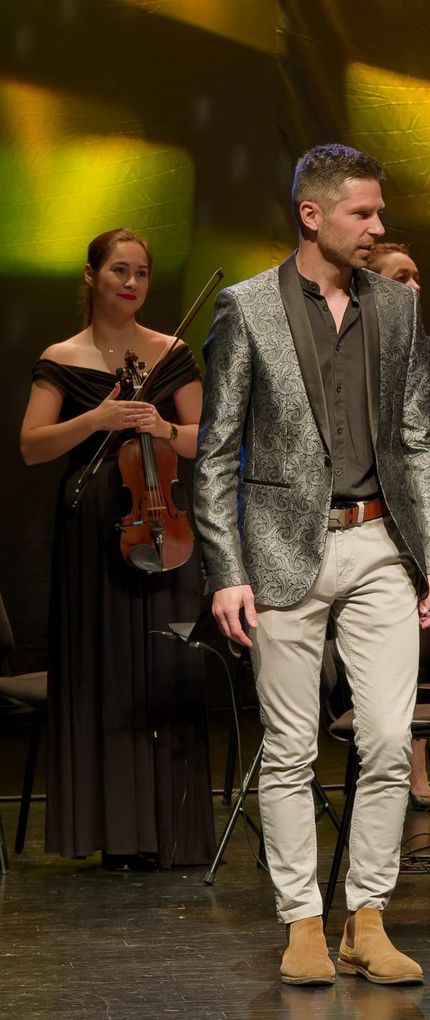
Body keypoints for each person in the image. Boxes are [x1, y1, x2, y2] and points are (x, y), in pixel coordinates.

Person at [193, 144, 430, 987]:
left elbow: (417, 438)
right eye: (362, 213)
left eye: (379, 212)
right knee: (290, 745)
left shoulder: (396, 307)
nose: (378, 226)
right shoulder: (247, 308)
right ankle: (302, 922)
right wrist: (227, 569)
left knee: (387, 739)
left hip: (379, 542)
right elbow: (216, 452)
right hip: (280, 545)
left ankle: (367, 920)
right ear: (312, 215)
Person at [20, 228, 212, 871]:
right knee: (100, 670)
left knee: (164, 666)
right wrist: (95, 420)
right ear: (91, 276)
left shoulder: (170, 352)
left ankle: (171, 831)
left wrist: (164, 426)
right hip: (91, 531)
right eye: (119, 271)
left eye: (142, 273)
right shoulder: (61, 356)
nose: (132, 283)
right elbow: (32, 446)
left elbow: (208, 441)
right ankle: (114, 832)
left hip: (164, 522)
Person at [365, 241, 430, 812]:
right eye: (402, 277)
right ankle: (396, 765)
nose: (416, 286)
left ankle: (416, 765)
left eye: (417, 275)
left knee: (423, 637)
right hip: (379, 507)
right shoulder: (361, 345)